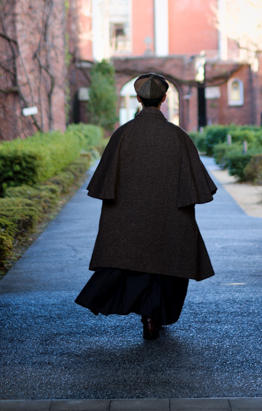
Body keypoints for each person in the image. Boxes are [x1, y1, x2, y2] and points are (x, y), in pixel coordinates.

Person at [75, 73, 217, 340]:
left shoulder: (122, 135)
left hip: (129, 218)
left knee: (136, 267)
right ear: (164, 99)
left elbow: (103, 183)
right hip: (170, 216)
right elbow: (199, 185)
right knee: (167, 267)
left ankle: (149, 319)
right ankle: (154, 318)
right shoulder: (178, 137)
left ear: (138, 99)